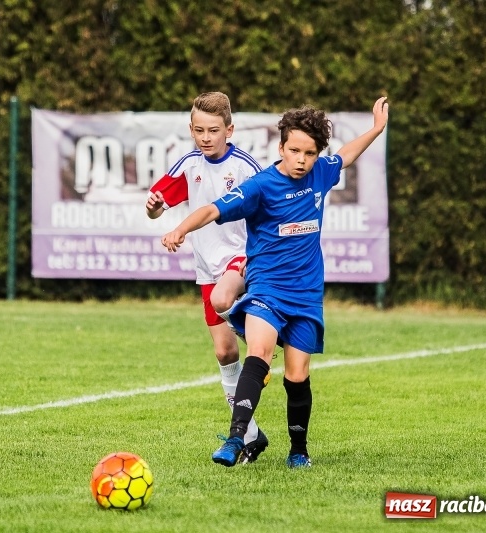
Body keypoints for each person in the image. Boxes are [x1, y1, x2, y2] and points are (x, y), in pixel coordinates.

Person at [161, 96, 389, 468]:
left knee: (297, 375)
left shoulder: (320, 173)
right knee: (260, 354)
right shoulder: (261, 186)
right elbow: (213, 208)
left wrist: (376, 129)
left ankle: (298, 451)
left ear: (317, 154)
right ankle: (237, 440)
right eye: (294, 150)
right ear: (281, 147)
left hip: (306, 295)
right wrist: (181, 228)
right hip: (266, 288)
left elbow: (346, 155)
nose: (301, 159)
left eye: (309, 153)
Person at [146, 91, 268, 462]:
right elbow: (157, 207)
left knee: (222, 300)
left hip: (242, 258)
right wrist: (153, 208)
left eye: (213, 130)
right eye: (198, 130)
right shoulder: (188, 165)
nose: (205, 137)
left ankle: (257, 330)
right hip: (206, 268)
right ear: (191, 129)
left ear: (229, 130)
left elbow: (270, 206)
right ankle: (250, 435)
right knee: (223, 351)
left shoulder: (246, 167)